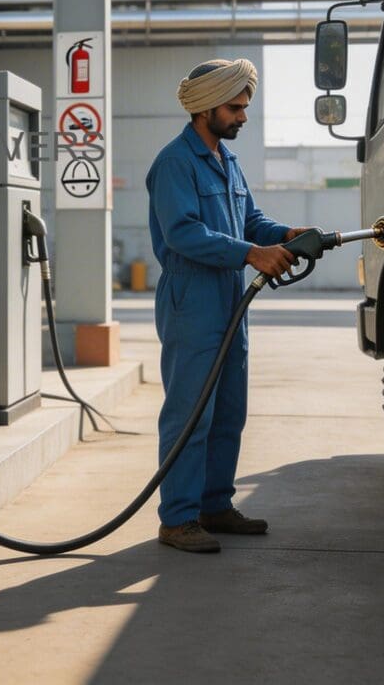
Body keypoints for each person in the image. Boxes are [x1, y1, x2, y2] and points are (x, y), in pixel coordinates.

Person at [145, 58, 307, 554]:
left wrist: (283, 235)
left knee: (228, 409)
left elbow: (249, 218)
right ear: (204, 107)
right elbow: (184, 233)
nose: (242, 116)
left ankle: (214, 505)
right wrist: (250, 253)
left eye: (245, 107)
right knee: (191, 412)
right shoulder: (174, 162)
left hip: (229, 296)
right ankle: (177, 519)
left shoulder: (227, 161)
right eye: (234, 108)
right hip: (192, 296)